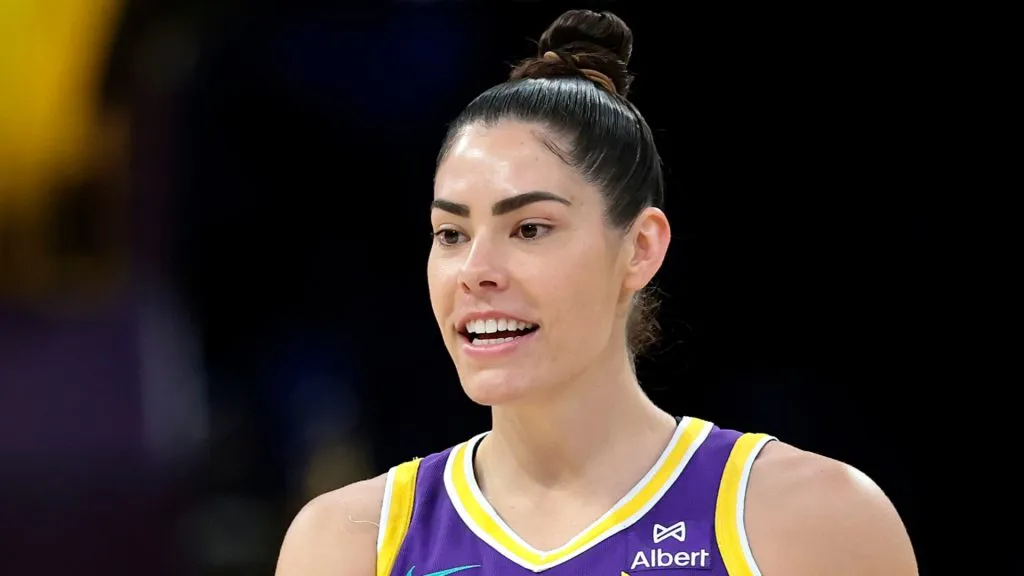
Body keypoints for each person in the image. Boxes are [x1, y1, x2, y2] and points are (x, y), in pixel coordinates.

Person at [276, 9, 917, 576]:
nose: (476, 269)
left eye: (529, 228)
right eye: (450, 233)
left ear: (640, 248)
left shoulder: (808, 521)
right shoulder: (348, 543)